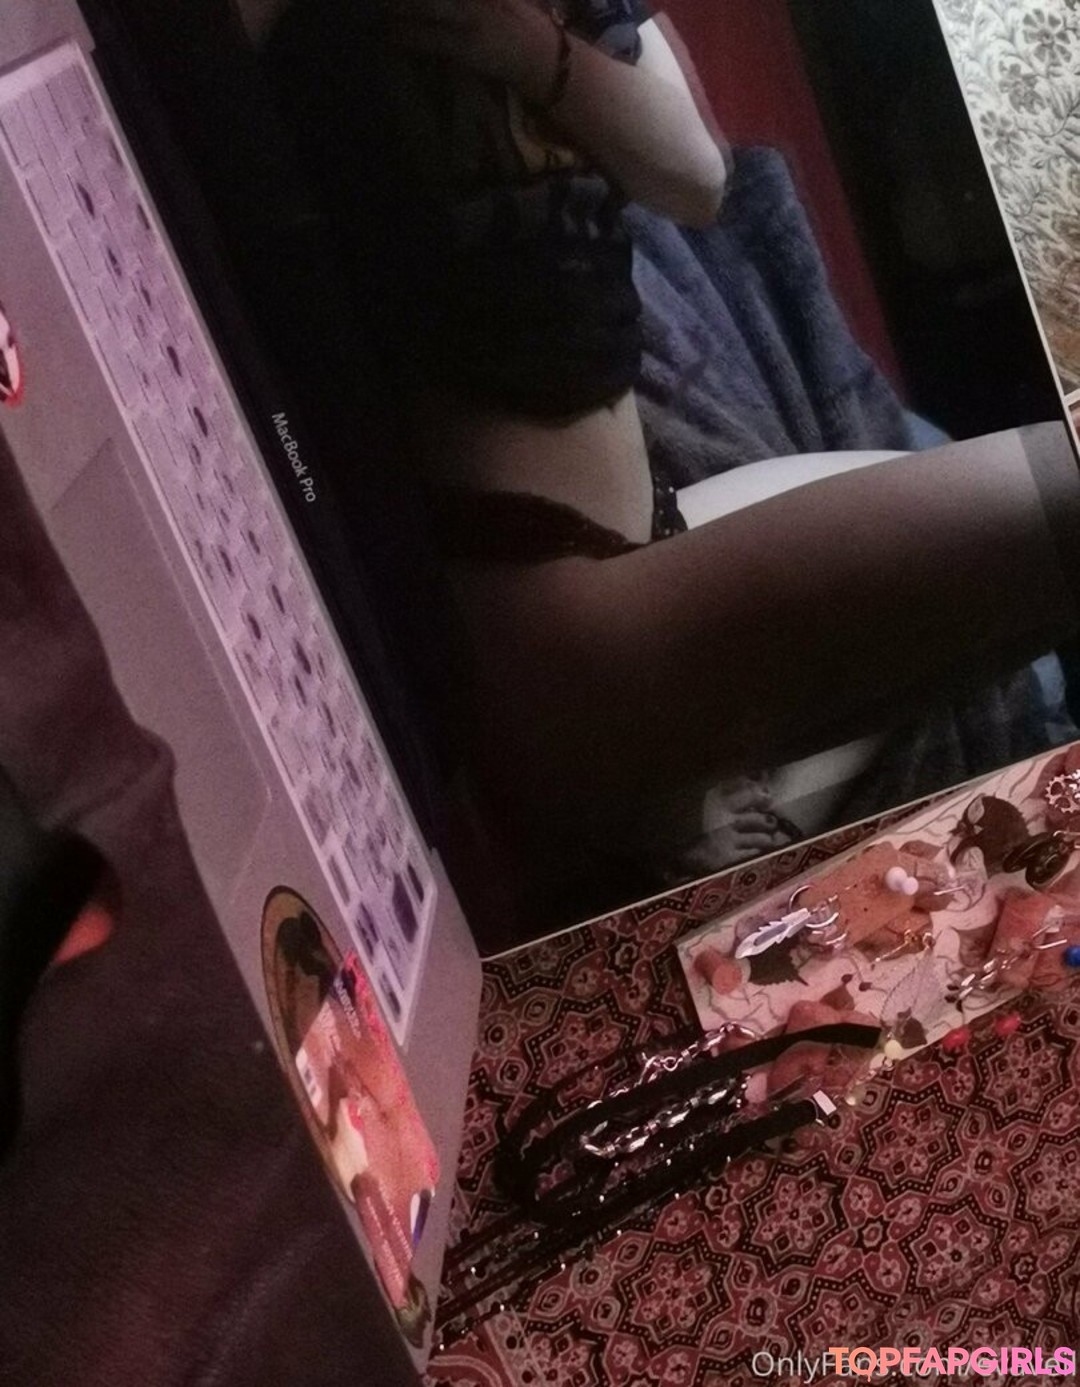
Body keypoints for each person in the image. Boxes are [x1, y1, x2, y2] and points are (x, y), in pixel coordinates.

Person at [265, 0, 1080, 913]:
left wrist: (535, 54)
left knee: (989, 576)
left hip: (648, 528)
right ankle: (653, 817)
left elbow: (697, 178)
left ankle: (674, 800)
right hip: (561, 630)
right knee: (1054, 504)